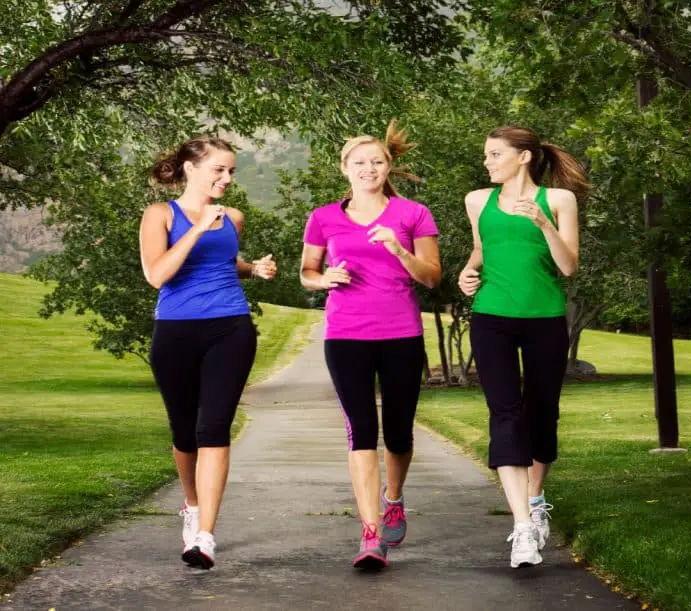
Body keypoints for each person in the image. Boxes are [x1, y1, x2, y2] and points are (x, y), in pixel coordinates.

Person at [300, 121, 441, 569]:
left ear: (389, 166)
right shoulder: (324, 217)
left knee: (398, 432)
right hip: (346, 335)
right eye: (359, 162)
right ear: (345, 169)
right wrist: (324, 280)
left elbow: (432, 277)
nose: (369, 169)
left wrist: (399, 251)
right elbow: (307, 271)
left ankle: (393, 498)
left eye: (377, 161)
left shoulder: (413, 214)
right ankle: (370, 533)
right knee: (361, 429)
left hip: (401, 333)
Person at [139, 136, 277, 570]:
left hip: (230, 327)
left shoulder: (231, 218)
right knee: (184, 433)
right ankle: (192, 506)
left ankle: (204, 537)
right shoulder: (160, 214)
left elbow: (222, 260)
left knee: (213, 428)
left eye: (232, 171)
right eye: (219, 169)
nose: (227, 178)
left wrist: (253, 268)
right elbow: (158, 274)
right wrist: (197, 228)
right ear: (190, 169)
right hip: (175, 331)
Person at [458, 126, 589, 568]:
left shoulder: (558, 200)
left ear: (524, 157)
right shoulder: (478, 201)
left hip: (545, 319)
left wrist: (542, 222)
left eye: (495, 154)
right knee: (505, 413)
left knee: (542, 412)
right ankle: (522, 528)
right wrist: (466, 272)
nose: (487, 162)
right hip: (492, 316)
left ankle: (534, 500)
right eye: (486, 155)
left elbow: (568, 266)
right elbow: (482, 247)